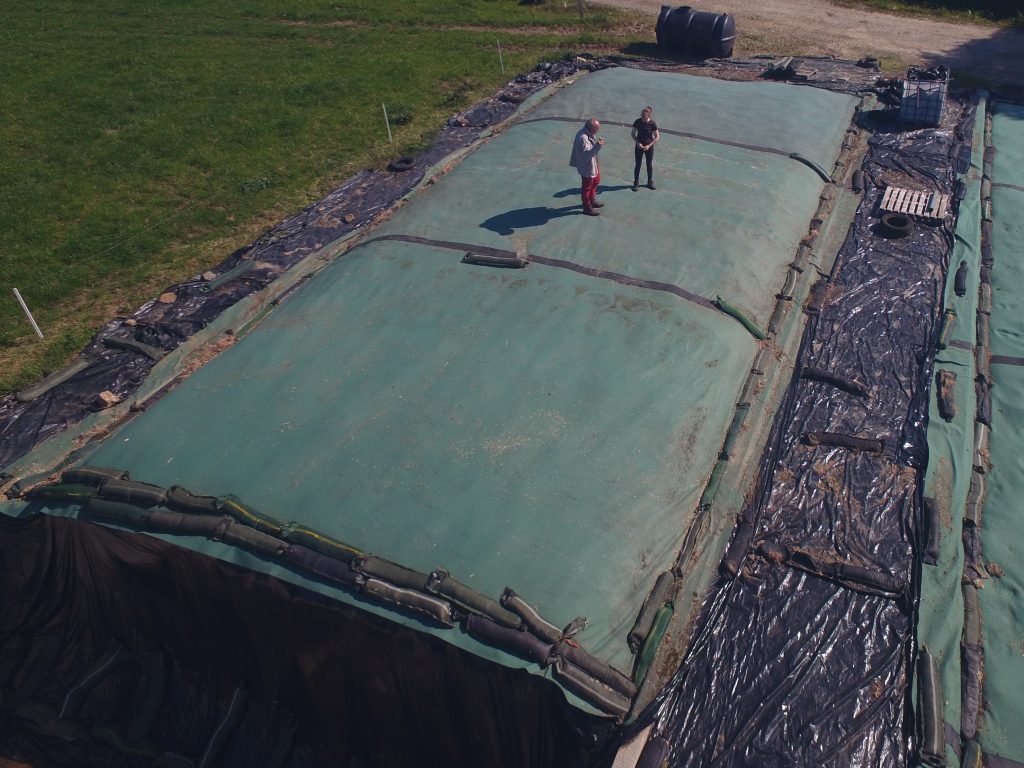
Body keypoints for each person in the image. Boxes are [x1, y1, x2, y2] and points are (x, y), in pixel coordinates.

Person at [569, 117, 604, 216]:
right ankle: (587, 207)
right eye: (596, 130)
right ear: (590, 128)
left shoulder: (588, 133)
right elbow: (586, 155)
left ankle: (592, 200)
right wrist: (598, 146)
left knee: (596, 180)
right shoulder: (583, 138)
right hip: (587, 166)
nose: (597, 132)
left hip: (592, 163)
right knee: (586, 187)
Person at [631, 106, 659, 191]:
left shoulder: (652, 123)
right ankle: (636, 182)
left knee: (649, 164)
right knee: (638, 164)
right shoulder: (637, 122)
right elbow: (633, 134)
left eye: (644, 116)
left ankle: (650, 182)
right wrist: (638, 143)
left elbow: (657, 136)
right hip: (639, 146)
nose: (642, 117)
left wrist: (649, 145)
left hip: (649, 147)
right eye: (641, 115)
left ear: (649, 116)